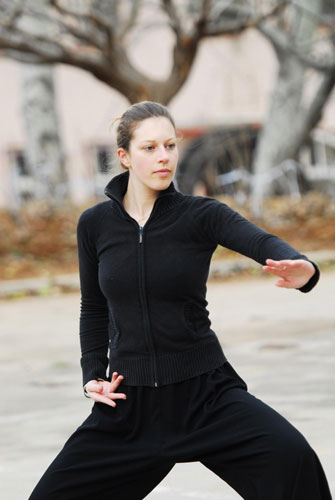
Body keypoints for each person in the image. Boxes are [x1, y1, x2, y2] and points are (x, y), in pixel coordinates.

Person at [28, 101, 332, 500]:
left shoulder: (200, 215)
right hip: (129, 406)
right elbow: (93, 306)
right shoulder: (95, 225)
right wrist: (92, 375)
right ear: (124, 157)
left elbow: (259, 241)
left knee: (294, 462)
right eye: (150, 148)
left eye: (170, 146)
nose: (164, 157)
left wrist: (303, 267)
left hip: (205, 396)